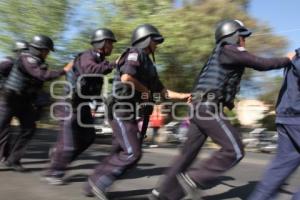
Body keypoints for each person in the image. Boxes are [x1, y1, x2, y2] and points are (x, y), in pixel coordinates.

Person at [149, 19, 293, 200]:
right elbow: (260, 63)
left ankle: (162, 195)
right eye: (242, 37)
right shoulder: (229, 49)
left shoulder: (217, 55)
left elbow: (200, 83)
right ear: (232, 36)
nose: (244, 41)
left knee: (186, 156)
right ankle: (193, 179)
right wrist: (287, 59)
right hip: (208, 108)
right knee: (235, 149)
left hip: (198, 108)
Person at [84, 24, 191, 200]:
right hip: (120, 109)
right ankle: (100, 183)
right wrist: (145, 91)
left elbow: (163, 92)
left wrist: (184, 96)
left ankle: (91, 185)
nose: (157, 45)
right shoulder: (134, 53)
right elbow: (127, 77)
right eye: (155, 41)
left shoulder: (149, 65)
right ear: (146, 40)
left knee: (118, 152)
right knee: (133, 152)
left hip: (129, 112)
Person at [43, 28, 117, 185]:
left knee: (89, 137)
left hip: (82, 105)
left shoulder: (101, 60)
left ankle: (59, 155)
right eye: (110, 43)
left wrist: (98, 103)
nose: (112, 46)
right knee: (68, 144)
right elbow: (90, 70)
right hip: (69, 104)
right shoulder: (87, 56)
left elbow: (94, 85)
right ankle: (54, 172)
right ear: (101, 43)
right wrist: (115, 64)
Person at [0, 35, 73, 172]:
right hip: (9, 97)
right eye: (47, 50)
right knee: (2, 129)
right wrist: (64, 70)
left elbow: (39, 84)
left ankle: (13, 160)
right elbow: (42, 75)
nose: (48, 54)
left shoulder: (40, 63)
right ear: (39, 49)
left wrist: (40, 102)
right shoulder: (26, 58)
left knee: (29, 128)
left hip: (24, 101)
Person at [247, 49, 300, 200]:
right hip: (296, 117)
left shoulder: (295, 56)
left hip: (287, 117)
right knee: (278, 170)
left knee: (278, 171)